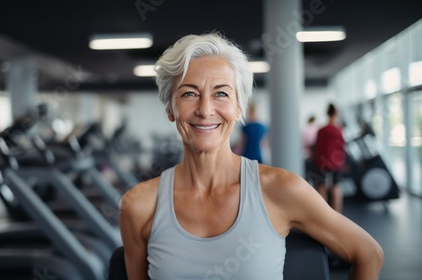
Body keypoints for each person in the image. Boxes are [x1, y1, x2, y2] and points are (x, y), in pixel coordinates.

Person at [119, 32, 383, 279]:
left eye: (221, 93)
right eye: (189, 93)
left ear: (238, 108)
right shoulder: (138, 206)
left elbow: (368, 254)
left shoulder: (280, 189)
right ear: (170, 109)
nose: (205, 109)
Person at [314, 103, 345, 213]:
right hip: (336, 162)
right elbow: (342, 146)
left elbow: (317, 146)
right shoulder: (339, 130)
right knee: (336, 187)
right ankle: (337, 214)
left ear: (327, 113)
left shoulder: (321, 130)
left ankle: (323, 214)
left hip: (322, 162)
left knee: (321, 187)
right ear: (336, 113)